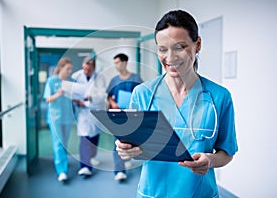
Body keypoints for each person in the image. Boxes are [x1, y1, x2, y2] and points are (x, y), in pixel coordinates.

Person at [115, 10, 238, 197]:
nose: (170, 58)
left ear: (197, 45)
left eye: (180, 47)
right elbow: (134, 147)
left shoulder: (220, 97)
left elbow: (227, 152)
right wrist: (125, 151)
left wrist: (211, 160)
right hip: (153, 193)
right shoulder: (142, 94)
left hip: (200, 193)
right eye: (162, 49)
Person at [106, 53, 143, 182]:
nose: (116, 65)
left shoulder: (136, 78)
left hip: (132, 115)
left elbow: (142, 95)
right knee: (118, 141)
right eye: (114, 63)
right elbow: (109, 95)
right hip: (118, 115)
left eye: (117, 62)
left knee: (132, 141)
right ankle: (119, 171)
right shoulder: (114, 80)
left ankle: (127, 159)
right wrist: (113, 103)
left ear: (124, 62)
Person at [72, 56, 107, 177]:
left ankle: (91, 157)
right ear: (82, 66)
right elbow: (72, 92)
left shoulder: (99, 77)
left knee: (94, 137)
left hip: (95, 111)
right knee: (85, 139)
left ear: (94, 68)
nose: (86, 72)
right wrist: (77, 101)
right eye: (85, 69)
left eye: (89, 70)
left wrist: (90, 99)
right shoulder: (77, 76)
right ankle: (85, 167)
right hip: (83, 113)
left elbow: (102, 95)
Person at [43, 57, 75, 182]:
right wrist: (58, 93)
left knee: (64, 144)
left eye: (71, 69)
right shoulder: (51, 81)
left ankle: (63, 163)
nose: (69, 71)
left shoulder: (71, 81)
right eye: (68, 69)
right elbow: (47, 99)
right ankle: (62, 171)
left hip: (67, 116)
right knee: (58, 144)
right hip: (55, 117)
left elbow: (74, 97)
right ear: (61, 67)